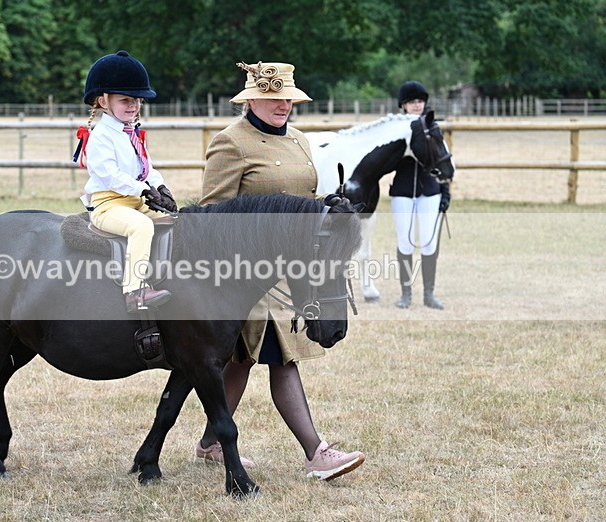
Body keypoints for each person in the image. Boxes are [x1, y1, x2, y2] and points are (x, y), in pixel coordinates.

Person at [195, 60, 365, 481]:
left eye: (287, 97)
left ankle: (211, 442)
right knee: (280, 358)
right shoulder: (230, 143)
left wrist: (329, 204)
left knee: (244, 359)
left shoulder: (300, 140)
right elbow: (212, 212)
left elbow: (300, 196)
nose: (282, 105)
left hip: (293, 269)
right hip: (246, 272)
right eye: (273, 98)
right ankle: (317, 453)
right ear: (251, 99)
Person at [79, 50, 178, 313]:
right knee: (141, 227)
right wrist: (143, 190)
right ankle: (134, 291)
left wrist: (160, 187)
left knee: (177, 223)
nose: (133, 105)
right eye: (125, 100)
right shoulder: (101, 135)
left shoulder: (132, 133)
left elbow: (147, 168)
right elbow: (110, 176)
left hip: (136, 200)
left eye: (137, 100)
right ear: (103, 101)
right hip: (108, 205)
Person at [390, 80, 451, 310]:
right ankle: (406, 293)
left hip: (430, 191)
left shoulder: (433, 127)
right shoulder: (395, 128)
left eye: (420, 101)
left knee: (428, 242)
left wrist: (445, 191)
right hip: (403, 191)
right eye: (411, 102)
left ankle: (429, 293)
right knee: (405, 243)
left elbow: (444, 161)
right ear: (403, 105)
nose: (417, 105)